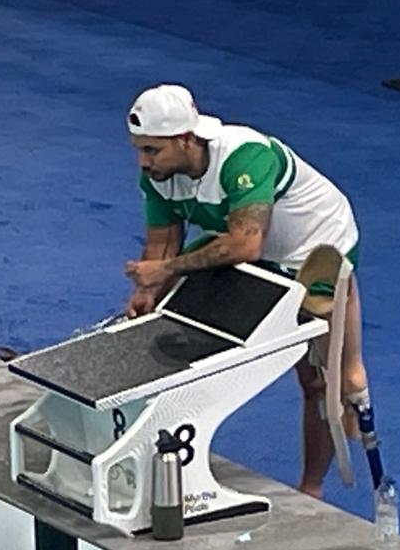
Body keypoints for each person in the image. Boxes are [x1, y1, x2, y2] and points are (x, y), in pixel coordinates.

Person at [123, 84, 379, 498]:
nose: (143, 161)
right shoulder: (161, 175)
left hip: (315, 250)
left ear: (186, 139)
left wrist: (165, 269)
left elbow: (245, 245)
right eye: (139, 149)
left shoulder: (245, 156)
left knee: (319, 380)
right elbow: (162, 246)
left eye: (152, 150)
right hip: (244, 242)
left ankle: (313, 481)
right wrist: (149, 292)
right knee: (170, 316)